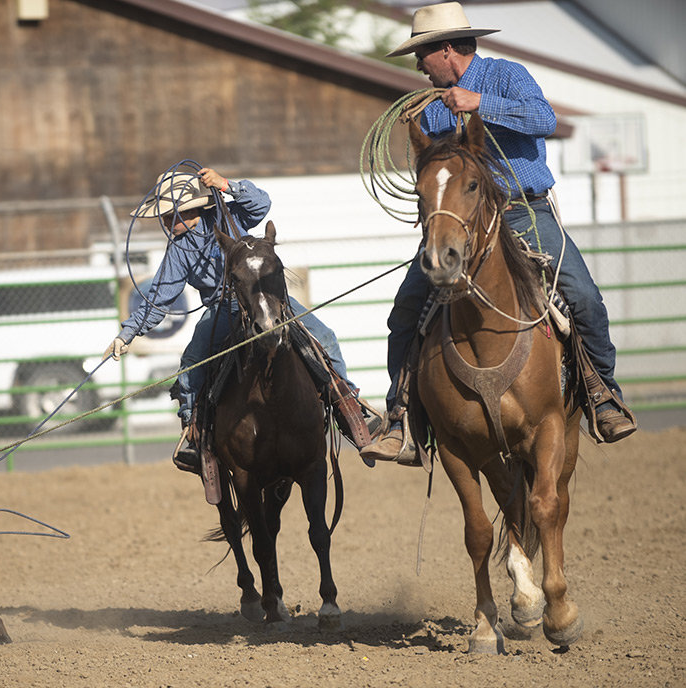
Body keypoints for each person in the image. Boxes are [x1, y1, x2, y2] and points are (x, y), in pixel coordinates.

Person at [361, 1, 636, 465]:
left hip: (523, 212)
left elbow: (544, 120)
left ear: (446, 50)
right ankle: (401, 416)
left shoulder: (507, 76)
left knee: (582, 297)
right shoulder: (431, 111)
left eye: (421, 56)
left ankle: (602, 393)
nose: (418, 66)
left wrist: (479, 103)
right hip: (461, 222)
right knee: (407, 309)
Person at [104, 167, 376, 471]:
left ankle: (349, 409)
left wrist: (226, 184)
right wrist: (127, 334)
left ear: (190, 210)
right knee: (192, 364)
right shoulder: (178, 251)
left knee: (323, 336)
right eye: (165, 218)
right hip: (222, 309)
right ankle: (196, 438)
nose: (166, 223)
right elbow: (159, 298)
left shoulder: (228, 217)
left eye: (169, 216)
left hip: (267, 298)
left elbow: (261, 204)